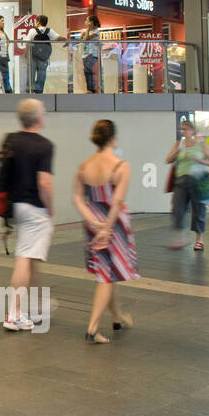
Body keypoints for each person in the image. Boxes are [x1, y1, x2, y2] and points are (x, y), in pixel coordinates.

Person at [72, 120, 138, 344]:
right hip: (114, 223)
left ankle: (118, 317)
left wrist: (93, 221)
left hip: (93, 223)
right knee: (107, 276)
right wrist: (107, 227)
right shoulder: (121, 166)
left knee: (109, 272)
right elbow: (117, 201)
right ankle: (92, 328)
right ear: (113, 139)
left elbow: (78, 198)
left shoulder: (85, 166)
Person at [3, 98, 54, 331]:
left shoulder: (11, 141)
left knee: (29, 256)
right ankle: (13, 314)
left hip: (17, 206)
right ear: (39, 118)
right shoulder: (44, 146)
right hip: (35, 207)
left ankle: (31, 306)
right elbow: (44, 183)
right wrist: (50, 207)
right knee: (24, 258)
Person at [165, 118, 209, 252]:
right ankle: (180, 237)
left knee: (198, 211)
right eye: (181, 129)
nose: (183, 131)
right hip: (181, 181)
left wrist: (202, 162)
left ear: (192, 130)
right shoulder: (178, 144)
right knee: (177, 209)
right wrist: (176, 152)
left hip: (197, 181)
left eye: (185, 128)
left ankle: (199, 240)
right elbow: (167, 160)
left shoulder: (201, 144)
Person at [28, 15, 60, 94]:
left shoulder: (33, 31)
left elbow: (27, 41)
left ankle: (31, 89)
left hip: (34, 56)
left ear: (38, 22)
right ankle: (39, 91)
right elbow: (58, 38)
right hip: (44, 57)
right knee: (42, 73)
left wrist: (26, 52)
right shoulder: (49, 31)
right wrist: (67, 41)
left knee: (31, 73)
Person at [80, 15, 103, 93]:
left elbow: (86, 38)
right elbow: (82, 36)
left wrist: (87, 29)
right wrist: (87, 31)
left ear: (92, 22)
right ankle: (89, 89)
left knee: (89, 71)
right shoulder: (88, 32)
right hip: (85, 54)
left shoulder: (96, 31)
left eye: (87, 21)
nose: (85, 23)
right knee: (86, 71)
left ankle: (91, 89)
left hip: (92, 54)